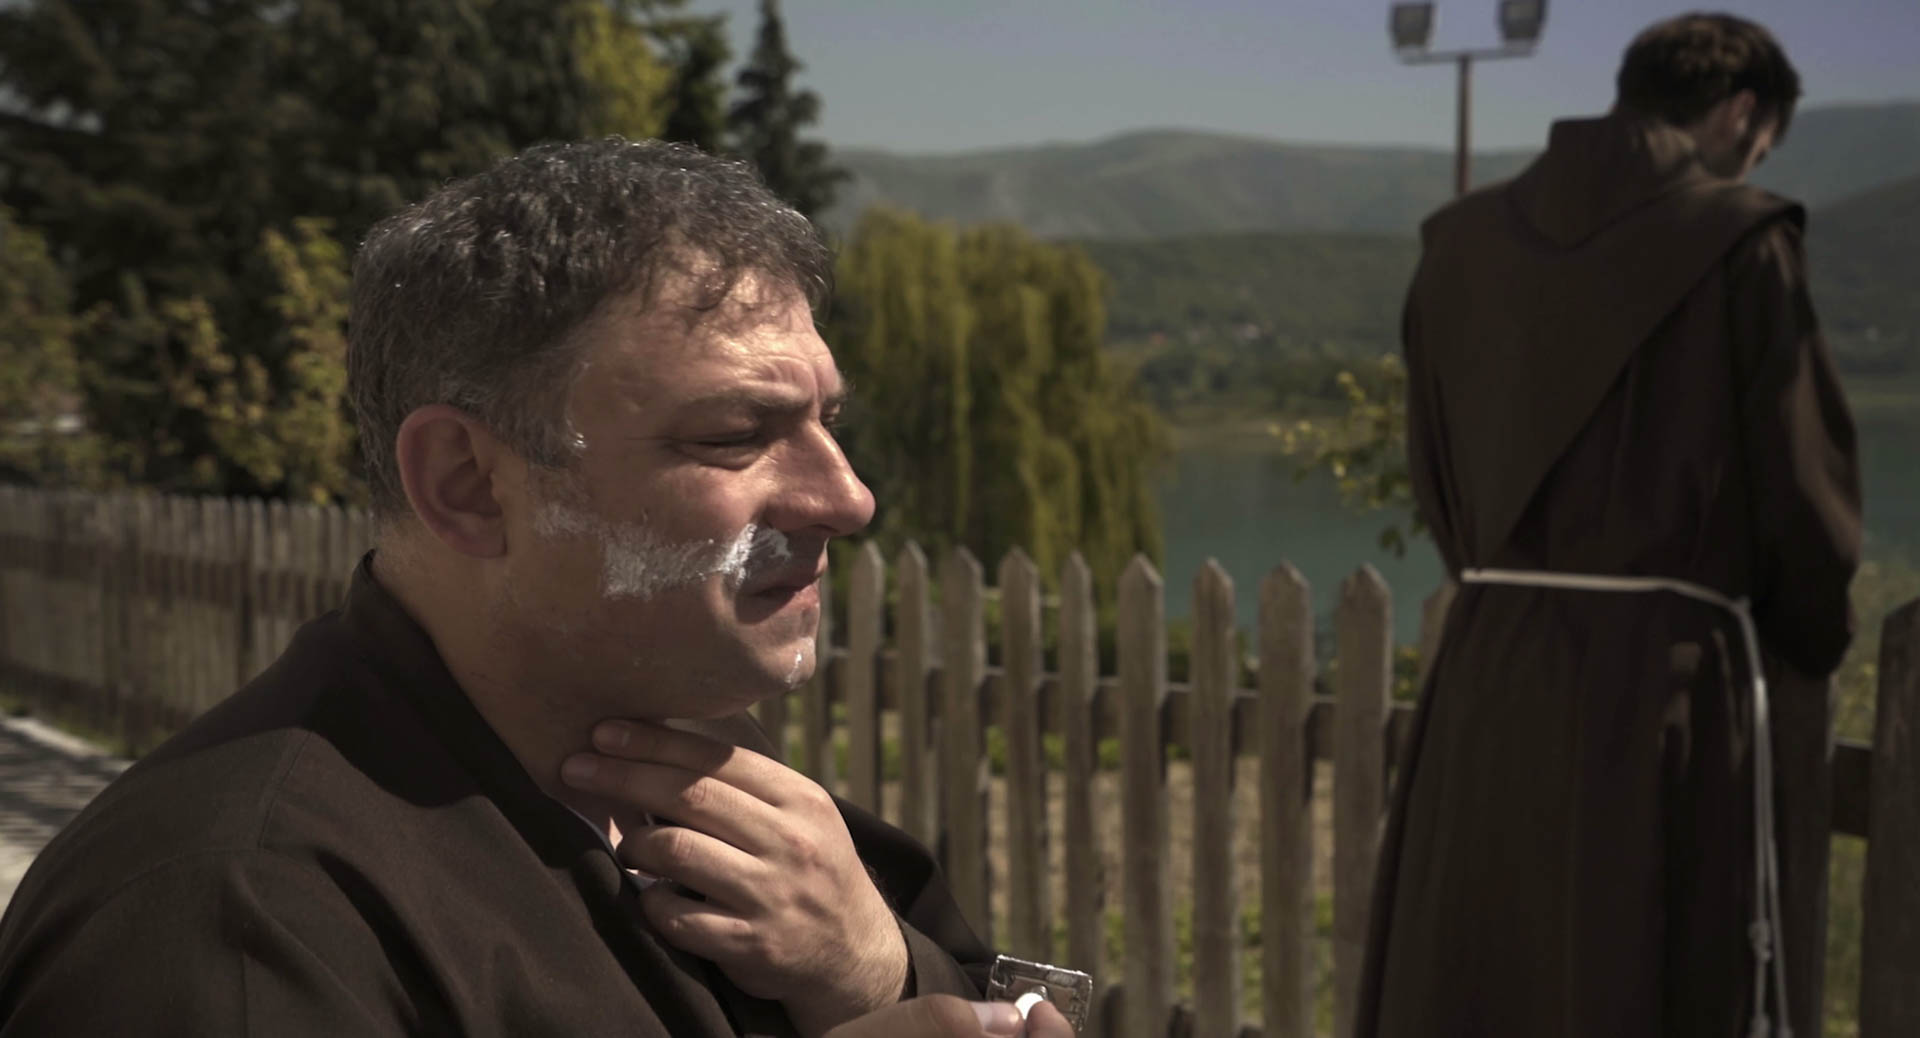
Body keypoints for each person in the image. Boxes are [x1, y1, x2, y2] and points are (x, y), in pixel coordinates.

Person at [0, 138, 1073, 1038]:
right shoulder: (241, 918)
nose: (849, 499)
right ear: (468, 484)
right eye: (734, 433)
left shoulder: (737, 805)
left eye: (827, 422)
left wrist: (879, 972)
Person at [1357, 13, 1860, 1038]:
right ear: (1741, 114)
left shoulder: (1457, 244)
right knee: (1638, 980)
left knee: (1479, 979)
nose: (1751, 168)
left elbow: (1436, 473)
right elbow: (1802, 499)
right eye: (1761, 147)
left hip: (1488, 672)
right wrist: (1809, 636)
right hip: (1663, 697)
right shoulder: (1744, 240)